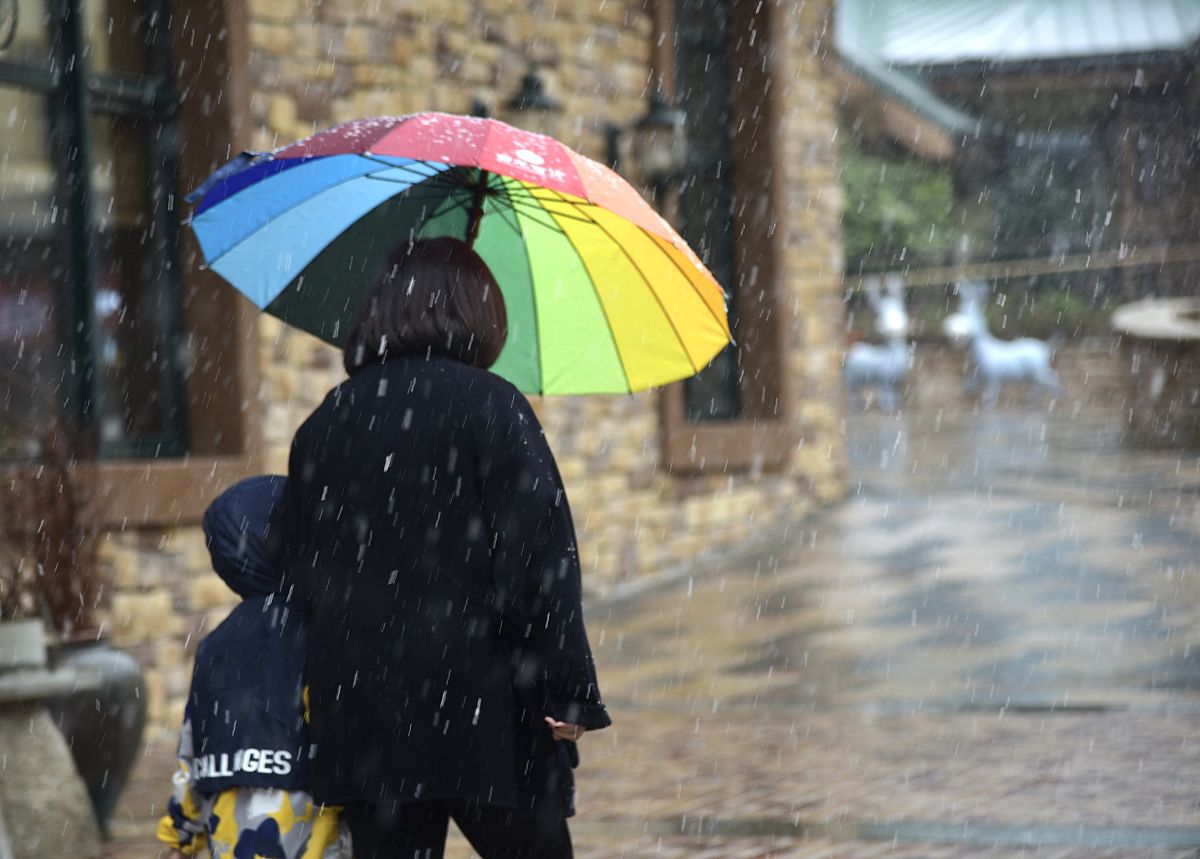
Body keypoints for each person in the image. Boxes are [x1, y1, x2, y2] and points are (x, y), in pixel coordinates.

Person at [276, 237, 611, 859]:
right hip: (484, 713)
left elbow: (299, 572)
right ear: (474, 315)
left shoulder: (326, 422)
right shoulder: (492, 408)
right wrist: (564, 694)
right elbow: (540, 568)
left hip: (364, 716)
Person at [157, 476, 349, 859]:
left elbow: (191, 754)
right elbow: (343, 742)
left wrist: (180, 834)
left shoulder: (215, 646)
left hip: (230, 840)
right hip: (311, 839)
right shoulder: (318, 633)